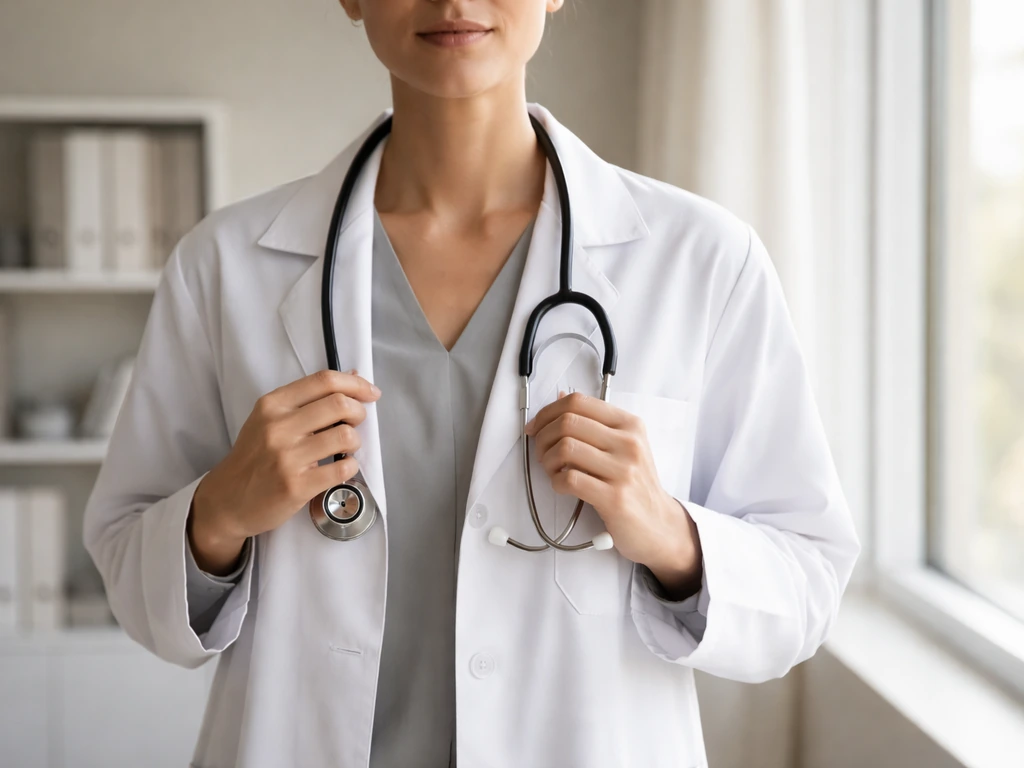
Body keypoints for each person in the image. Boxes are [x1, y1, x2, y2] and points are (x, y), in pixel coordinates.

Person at [83, 1, 861, 766]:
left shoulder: (702, 261)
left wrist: (665, 531)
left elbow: (808, 580)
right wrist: (218, 512)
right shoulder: (227, 266)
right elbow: (127, 567)